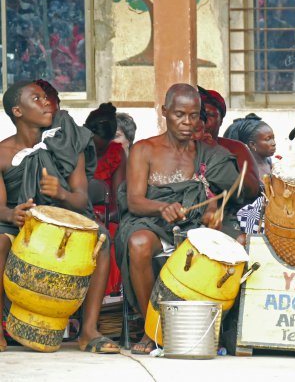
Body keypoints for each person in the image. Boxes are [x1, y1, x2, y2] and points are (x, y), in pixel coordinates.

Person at [114, 83, 240, 354]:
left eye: (193, 116)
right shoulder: (145, 150)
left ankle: (216, 327)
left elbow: (212, 197)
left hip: (192, 226)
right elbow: (135, 200)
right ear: (165, 112)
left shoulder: (205, 154)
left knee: (237, 242)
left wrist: (210, 214)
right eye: (179, 115)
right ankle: (153, 328)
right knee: (138, 244)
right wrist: (162, 207)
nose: (187, 123)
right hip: (151, 223)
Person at [0, 81, 119, 353]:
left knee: (101, 239)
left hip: (63, 221)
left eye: (46, 98)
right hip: (19, 223)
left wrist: (61, 193)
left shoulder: (67, 143)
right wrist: (14, 213)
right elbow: (1, 208)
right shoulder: (2, 154)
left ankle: (88, 332)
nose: (47, 103)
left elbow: (81, 198)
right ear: (17, 111)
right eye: (37, 98)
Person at [196, 86, 260, 238]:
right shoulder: (182, 148)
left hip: (228, 215)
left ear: (221, 119)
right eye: (198, 115)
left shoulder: (236, 148)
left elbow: (252, 190)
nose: (203, 121)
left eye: (210, 115)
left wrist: (216, 151)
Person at [84, 102, 127, 296]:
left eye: (102, 148)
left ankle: (106, 300)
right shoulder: (77, 148)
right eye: (94, 146)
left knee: (109, 236)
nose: (97, 153)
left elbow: (119, 198)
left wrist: (106, 216)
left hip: (107, 215)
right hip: (79, 211)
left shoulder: (116, 153)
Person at [223, 113, 276, 181]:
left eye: (273, 138)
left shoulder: (270, 163)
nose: (274, 143)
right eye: (267, 139)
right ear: (252, 144)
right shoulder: (243, 169)